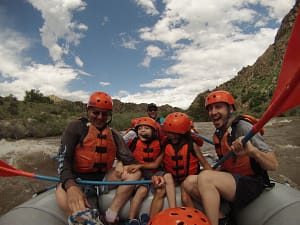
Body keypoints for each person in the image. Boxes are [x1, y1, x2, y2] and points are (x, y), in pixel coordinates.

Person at [182, 90, 278, 225]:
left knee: (206, 177)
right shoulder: (220, 132)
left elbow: (273, 165)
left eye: (218, 107)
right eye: (210, 108)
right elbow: (229, 162)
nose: (213, 112)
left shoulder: (243, 127)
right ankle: (222, 218)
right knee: (189, 181)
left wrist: (252, 151)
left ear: (231, 108)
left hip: (252, 183)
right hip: (233, 180)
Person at [55, 91, 141, 225]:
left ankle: (111, 213)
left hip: (103, 179)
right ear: (88, 111)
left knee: (136, 173)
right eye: (96, 112)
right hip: (78, 179)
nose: (100, 117)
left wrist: (123, 163)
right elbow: (63, 160)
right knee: (62, 190)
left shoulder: (113, 134)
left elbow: (132, 161)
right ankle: (84, 218)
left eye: (104, 114)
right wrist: (71, 186)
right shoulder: (76, 127)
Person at [149, 112, 212, 218]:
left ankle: (196, 219)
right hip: (173, 178)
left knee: (185, 198)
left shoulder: (192, 144)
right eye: (168, 133)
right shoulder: (167, 144)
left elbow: (205, 164)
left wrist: (213, 179)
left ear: (183, 132)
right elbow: (156, 163)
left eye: (175, 133)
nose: (171, 136)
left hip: (187, 178)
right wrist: (139, 166)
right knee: (160, 191)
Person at [125, 117, 164, 225]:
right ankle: (131, 219)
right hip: (141, 173)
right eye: (140, 128)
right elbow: (123, 155)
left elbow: (157, 164)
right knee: (142, 190)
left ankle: (152, 219)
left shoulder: (161, 143)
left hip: (156, 172)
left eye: (146, 128)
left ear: (154, 131)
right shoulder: (133, 143)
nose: (142, 130)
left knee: (161, 188)